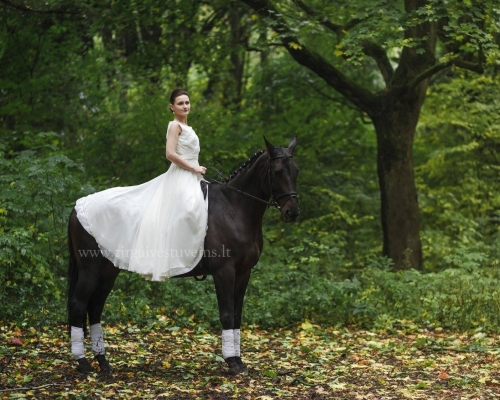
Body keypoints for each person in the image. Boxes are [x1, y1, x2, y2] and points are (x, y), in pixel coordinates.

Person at [74, 89, 208, 280]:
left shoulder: (189, 128)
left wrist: (196, 169)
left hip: (193, 175)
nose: (185, 106)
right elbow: (170, 154)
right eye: (180, 103)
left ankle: (197, 256)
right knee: (188, 210)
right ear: (172, 107)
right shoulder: (174, 126)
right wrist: (193, 168)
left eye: (187, 102)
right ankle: (172, 255)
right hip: (181, 175)